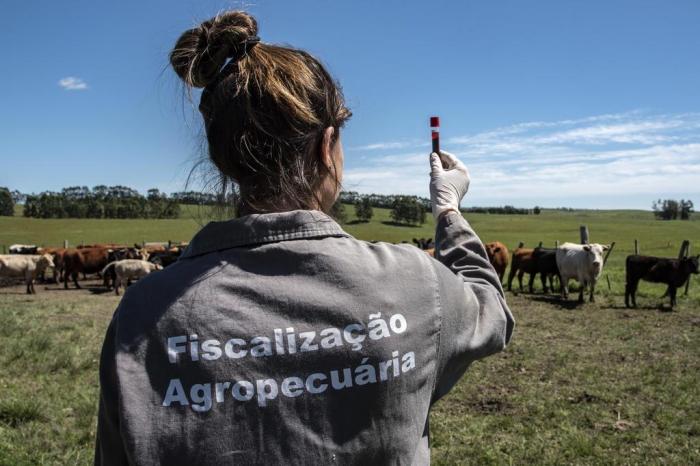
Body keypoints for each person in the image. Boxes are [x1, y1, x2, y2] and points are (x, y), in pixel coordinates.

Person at [94, 10, 514, 465]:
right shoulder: (414, 282)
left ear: (222, 160)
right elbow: (491, 310)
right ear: (325, 146)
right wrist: (448, 210)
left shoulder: (142, 314)